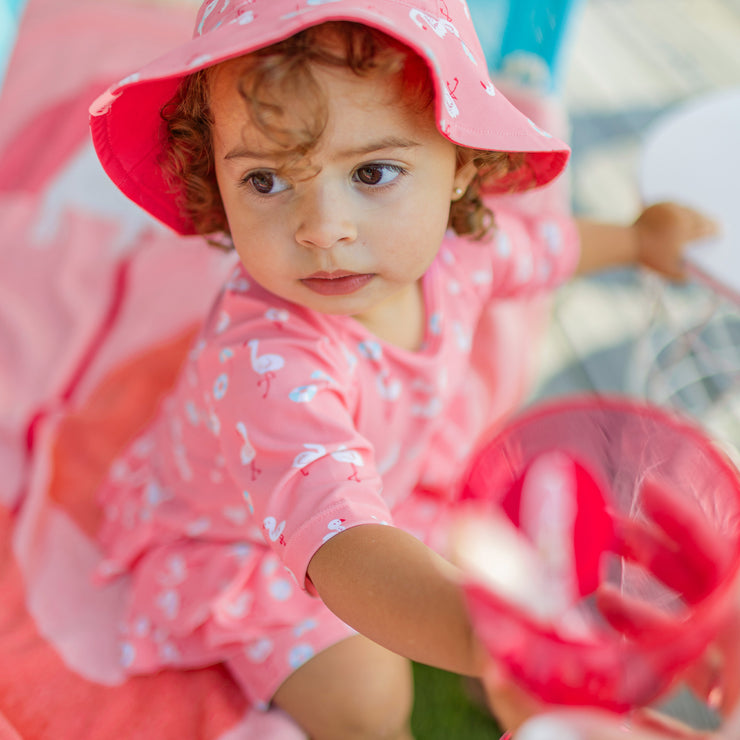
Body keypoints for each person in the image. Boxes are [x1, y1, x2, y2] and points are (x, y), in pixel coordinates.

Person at [88, 1, 717, 737]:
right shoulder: (267, 355)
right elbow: (344, 545)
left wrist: (639, 240)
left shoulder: (463, 251)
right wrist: (486, 637)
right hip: (248, 542)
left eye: (374, 171)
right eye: (265, 181)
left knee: (522, 569)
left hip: (397, 485)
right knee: (369, 699)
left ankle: (511, 670)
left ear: (459, 165)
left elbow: (551, 247)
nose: (323, 229)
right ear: (215, 180)